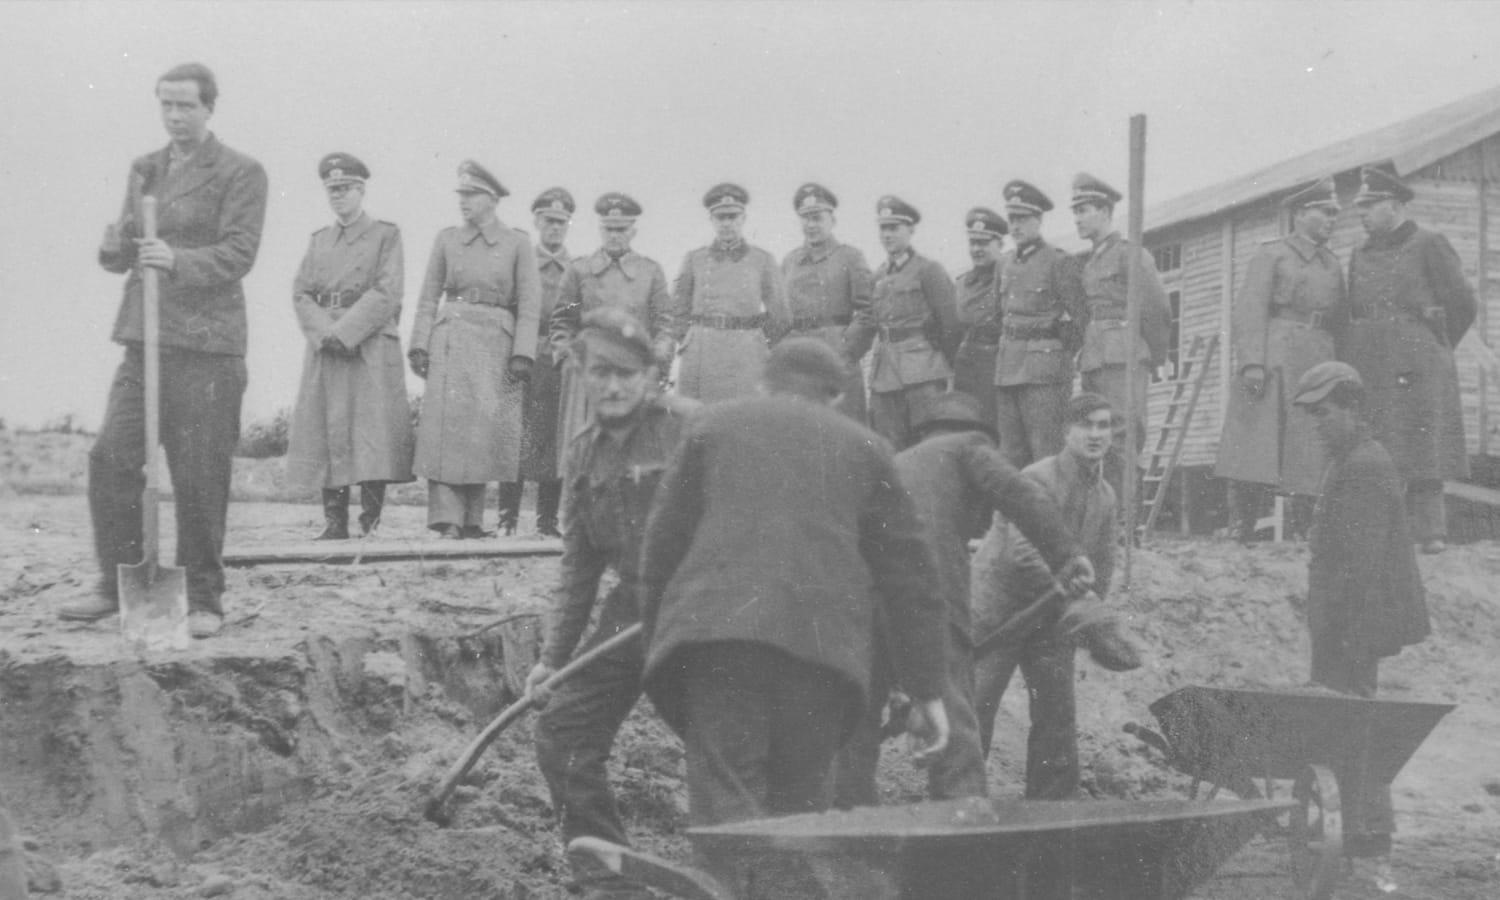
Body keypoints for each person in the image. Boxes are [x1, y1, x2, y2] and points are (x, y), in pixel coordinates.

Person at [638, 338, 950, 828]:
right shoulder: (868, 448)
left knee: (728, 814)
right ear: (838, 397)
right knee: (799, 822)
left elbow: (660, 550)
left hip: (718, 643)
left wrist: (658, 638)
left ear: (764, 384)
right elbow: (911, 578)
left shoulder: (710, 427)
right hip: (822, 656)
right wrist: (928, 689)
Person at [64, 62, 268, 639]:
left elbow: (238, 254)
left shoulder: (241, 172)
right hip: (145, 341)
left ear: (209, 108)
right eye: (166, 106)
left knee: (199, 473)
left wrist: (176, 259)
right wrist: (115, 244)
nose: (175, 116)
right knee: (111, 457)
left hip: (207, 348)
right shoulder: (145, 169)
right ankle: (116, 580)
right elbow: (122, 254)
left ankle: (204, 596)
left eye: (186, 106)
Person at [834, 392, 1095, 806]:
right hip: (926, 595)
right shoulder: (969, 447)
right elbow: (1020, 493)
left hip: (860, 598)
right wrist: (1066, 556)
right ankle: (963, 828)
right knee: (954, 718)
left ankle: (847, 830)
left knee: (857, 724)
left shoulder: (897, 462)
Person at [525, 308, 698, 900]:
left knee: (723, 742)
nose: (615, 385)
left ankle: (745, 875)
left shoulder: (692, 429)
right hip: (633, 611)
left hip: (702, 609)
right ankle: (607, 880)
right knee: (563, 730)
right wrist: (552, 658)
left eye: (628, 373)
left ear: (652, 375)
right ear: (582, 374)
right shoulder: (581, 454)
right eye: (601, 371)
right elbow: (578, 569)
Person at [1293, 361, 1429, 887]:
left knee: (1357, 730)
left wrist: (1340, 632)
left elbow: (1361, 564)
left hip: (1354, 627)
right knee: (1345, 730)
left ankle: (1369, 841)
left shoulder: (1366, 465)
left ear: (1352, 409)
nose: (1317, 426)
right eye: (1311, 417)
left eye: (1324, 414)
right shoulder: (1346, 459)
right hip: (1339, 624)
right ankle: (1352, 837)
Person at [971, 393, 1122, 798]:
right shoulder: (1037, 477)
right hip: (1002, 610)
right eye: (1085, 426)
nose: (1095, 435)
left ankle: (1053, 811)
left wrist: (1093, 611)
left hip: (1052, 616)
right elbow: (1022, 551)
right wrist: (1073, 595)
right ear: (1065, 432)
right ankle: (956, 804)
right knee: (977, 706)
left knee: (1057, 712)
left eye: (1103, 426)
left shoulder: (1105, 495)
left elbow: (1103, 562)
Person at [1343, 166, 1476, 554]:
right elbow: (1355, 305)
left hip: (1418, 360)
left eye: (1370, 206)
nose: (1362, 215)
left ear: (1395, 205)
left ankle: (1431, 531)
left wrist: (1435, 342)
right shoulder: (1358, 252)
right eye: (1359, 208)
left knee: (1423, 440)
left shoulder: (1429, 243)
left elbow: (1463, 303)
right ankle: (1380, 531)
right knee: (1376, 442)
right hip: (1370, 358)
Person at [408, 161, 541, 539]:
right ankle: (447, 519)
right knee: (447, 429)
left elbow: (530, 303)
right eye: (461, 195)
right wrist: (419, 344)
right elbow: (427, 296)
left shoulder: (517, 243)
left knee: (482, 431)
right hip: (451, 337)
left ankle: (473, 521)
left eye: (471, 195)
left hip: (495, 343)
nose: (463, 202)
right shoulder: (446, 239)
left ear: (492, 199)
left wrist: (523, 353)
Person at [1214, 177, 1348, 543]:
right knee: (1257, 442)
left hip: (1319, 356)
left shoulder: (1333, 264)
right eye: (1326, 212)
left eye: (1335, 213)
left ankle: (1309, 528)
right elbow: (1249, 311)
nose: (1333, 219)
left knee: (1312, 443)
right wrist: (1252, 363)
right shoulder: (1272, 254)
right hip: (1276, 356)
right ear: (1302, 214)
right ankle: (1243, 525)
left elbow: (1342, 320)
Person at [285, 153, 412, 540]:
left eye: (344, 189)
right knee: (329, 431)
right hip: (327, 346)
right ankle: (334, 522)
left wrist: (346, 331)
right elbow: (302, 292)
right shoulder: (319, 241)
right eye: (331, 190)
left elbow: (387, 291)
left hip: (368, 345)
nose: (337, 196)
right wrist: (326, 332)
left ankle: (370, 523)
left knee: (372, 433)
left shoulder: (385, 236)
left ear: (361, 190)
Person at [549, 192, 675, 476]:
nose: (615, 235)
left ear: (633, 231)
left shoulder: (650, 272)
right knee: (583, 452)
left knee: (630, 455)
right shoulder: (579, 270)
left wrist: (657, 362)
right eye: (609, 228)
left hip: (633, 375)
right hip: (589, 375)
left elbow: (665, 324)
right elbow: (561, 322)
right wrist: (567, 357)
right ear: (600, 229)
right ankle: (575, 516)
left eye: (621, 229)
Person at [1071, 173, 1171, 503]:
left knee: (1122, 438)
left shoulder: (1131, 255)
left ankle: (1125, 523)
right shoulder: (1090, 262)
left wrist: (1155, 357)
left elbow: (1156, 308)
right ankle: (1103, 518)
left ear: (1104, 210)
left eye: (1084, 210)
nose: (1078, 219)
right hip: (1096, 357)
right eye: (1076, 211)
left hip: (1124, 356)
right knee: (1095, 438)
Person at [845, 196, 961, 448]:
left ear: (911, 230)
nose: (887, 235)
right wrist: (842, 352)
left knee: (929, 444)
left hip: (923, 373)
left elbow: (951, 324)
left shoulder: (929, 270)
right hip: (885, 373)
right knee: (888, 445)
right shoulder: (878, 275)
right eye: (883, 228)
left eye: (894, 228)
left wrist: (944, 367)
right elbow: (868, 320)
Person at [994, 179, 1086, 469]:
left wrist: (1059, 357)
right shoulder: (1004, 264)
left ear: (1039, 220)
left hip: (1044, 373)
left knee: (1046, 454)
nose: (1016, 226)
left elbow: (1082, 319)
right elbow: (1001, 316)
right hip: (1008, 369)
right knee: (1011, 456)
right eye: (1012, 219)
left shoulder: (1059, 262)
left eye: (1022, 219)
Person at [671, 183, 791, 403]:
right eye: (720, 217)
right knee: (696, 418)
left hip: (745, 354)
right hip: (702, 353)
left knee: (743, 417)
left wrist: (757, 341)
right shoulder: (694, 259)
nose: (726, 224)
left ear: (743, 218)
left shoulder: (762, 260)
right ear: (711, 220)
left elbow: (781, 315)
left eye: (732, 217)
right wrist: (691, 340)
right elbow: (678, 310)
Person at [499, 188, 574, 537]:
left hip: (558, 361)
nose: (555, 228)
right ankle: (506, 518)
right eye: (548, 221)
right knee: (516, 435)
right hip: (523, 356)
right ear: (536, 221)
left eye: (561, 222)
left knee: (553, 440)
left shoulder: (577, 269)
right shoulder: (521, 261)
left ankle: (547, 520)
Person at [781, 182, 875, 422]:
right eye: (805, 218)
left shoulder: (850, 257)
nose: (811, 225)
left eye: (817, 217)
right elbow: (778, 312)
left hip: (837, 353)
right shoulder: (790, 261)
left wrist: (847, 351)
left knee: (842, 424)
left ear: (832, 219)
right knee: (801, 425)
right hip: (800, 356)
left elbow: (869, 310)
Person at [951, 208, 1007, 435]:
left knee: (996, 430)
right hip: (966, 367)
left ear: (1000, 244)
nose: (976, 249)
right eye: (973, 243)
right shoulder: (962, 284)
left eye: (983, 243)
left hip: (996, 363)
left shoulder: (1008, 277)